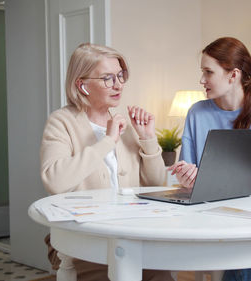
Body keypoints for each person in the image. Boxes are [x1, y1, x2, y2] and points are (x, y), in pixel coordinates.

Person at [40, 43, 173, 281]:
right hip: (79, 239)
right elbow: (55, 181)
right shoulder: (61, 121)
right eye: (108, 78)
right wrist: (108, 141)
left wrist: (148, 139)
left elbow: (157, 184)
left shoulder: (124, 124)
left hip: (128, 234)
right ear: (82, 85)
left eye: (120, 76)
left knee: (162, 275)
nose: (118, 84)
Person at [168, 37, 251, 281]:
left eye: (208, 72)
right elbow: (185, 176)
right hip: (206, 217)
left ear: (233, 75)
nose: (201, 80)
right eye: (202, 72)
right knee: (250, 261)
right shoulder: (196, 112)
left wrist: (206, 177)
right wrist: (186, 176)